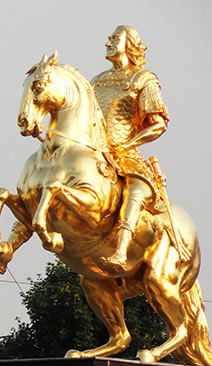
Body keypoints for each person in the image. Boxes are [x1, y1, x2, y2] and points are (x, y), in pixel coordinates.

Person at [91, 25, 169, 272]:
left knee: (134, 193)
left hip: (126, 157)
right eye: (108, 39)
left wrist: (127, 144)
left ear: (130, 44)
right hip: (95, 154)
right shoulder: (97, 81)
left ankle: (121, 251)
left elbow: (158, 124)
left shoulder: (143, 80)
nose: (108, 43)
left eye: (114, 38)